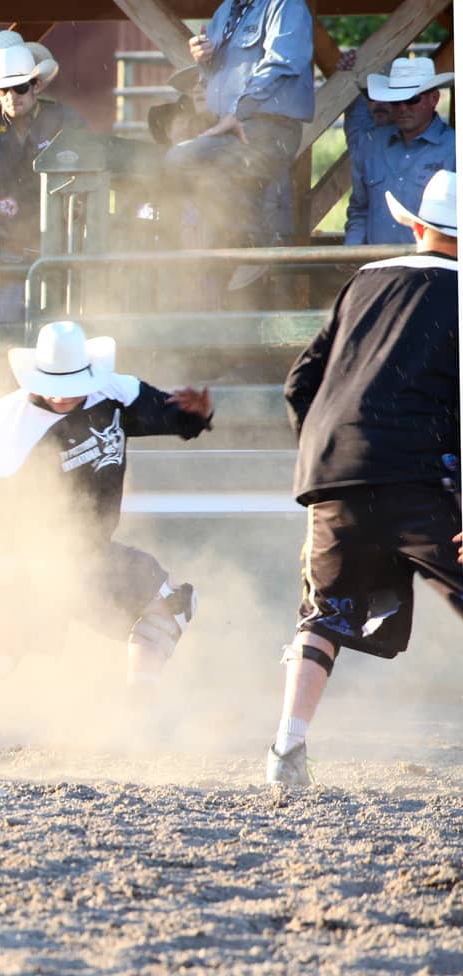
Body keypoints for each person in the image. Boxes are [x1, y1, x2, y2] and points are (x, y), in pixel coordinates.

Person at [265, 170, 461, 787]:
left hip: (335, 469)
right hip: (421, 475)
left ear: (418, 226)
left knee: (325, 611)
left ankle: (286, 748)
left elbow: (301, 382)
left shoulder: (366, 280)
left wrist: (326, 459)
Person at [0, 321, 213, 698]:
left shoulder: (113, 391)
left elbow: (172, 416)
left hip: (91, 553)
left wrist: (197, 416)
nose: (62, 397)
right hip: (33, 557)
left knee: (169, 607)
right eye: (54, 386)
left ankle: (139, 705)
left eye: (71, 386)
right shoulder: (14, 420)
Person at [165, 0, 313, 250]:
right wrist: (203, 59)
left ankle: (248, 242)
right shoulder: (224, 12)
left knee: (180, 158)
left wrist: (239, 109)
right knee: (196, 169)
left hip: (267, 126)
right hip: (234, 127)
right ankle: (244, 241)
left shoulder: (286, 4)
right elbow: (215, 77)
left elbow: (282, 63)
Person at [0, 41, 85, 322]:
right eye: (4, 89)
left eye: (20, 88)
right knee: (12, 333)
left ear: (36, 85)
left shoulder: (66, 121)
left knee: (62, 330)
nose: (11, 96)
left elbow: (88, 184)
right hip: (9, 252)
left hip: (61, 249)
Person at [346, 58, 455, 247]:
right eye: (396, 101)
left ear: (434, 99)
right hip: (379, 266)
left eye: (412, 99)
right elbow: (359, 209)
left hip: (433, 268)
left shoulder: (455, 148)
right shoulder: (371, 145)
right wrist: (351, 250)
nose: (403, 108)